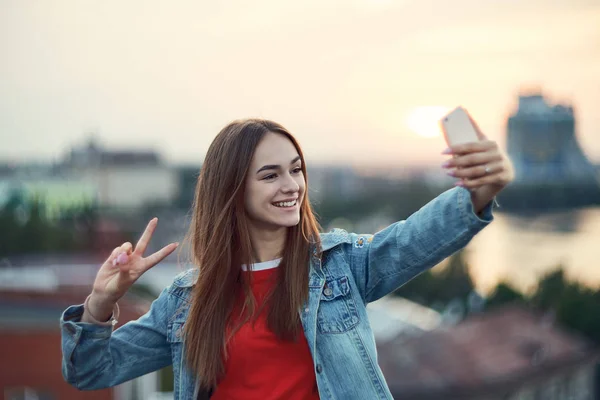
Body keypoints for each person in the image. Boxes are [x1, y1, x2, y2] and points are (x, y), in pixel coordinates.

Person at [60, 118, 514, 399]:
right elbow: (90, 371)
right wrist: (100, 303)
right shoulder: (186, 301)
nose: (292, 186)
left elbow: (411, 240)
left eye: (296, 169)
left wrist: (478, 191)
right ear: (233, 190)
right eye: (271, 175)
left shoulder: (340, 267)